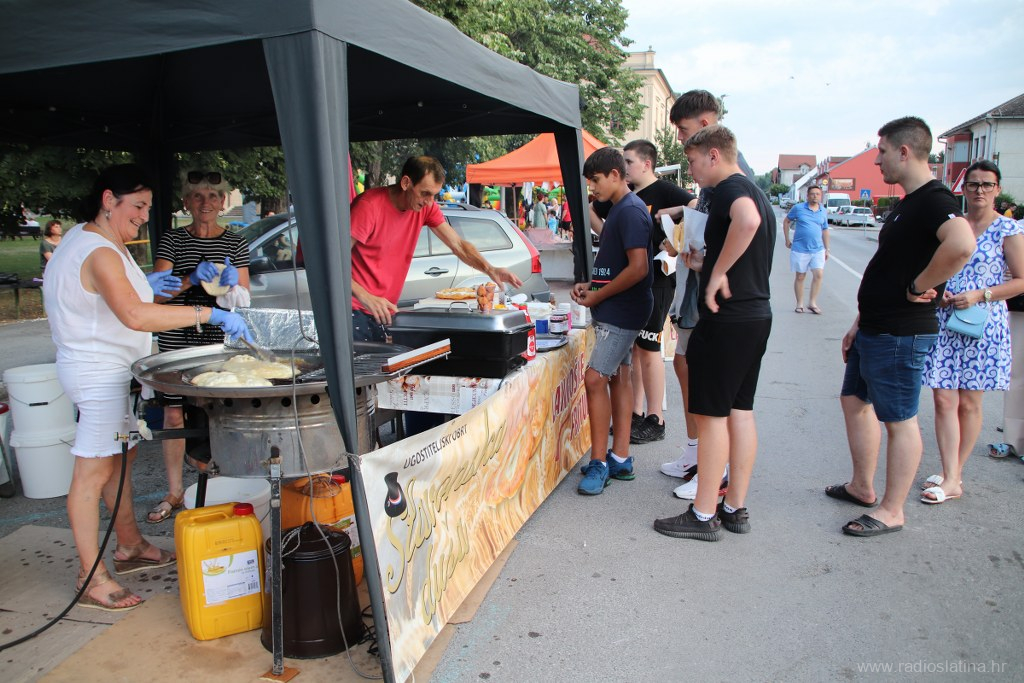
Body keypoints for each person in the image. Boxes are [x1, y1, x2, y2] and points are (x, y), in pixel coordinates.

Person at [43, 164, 250, 611]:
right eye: (137, 206)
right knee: (92, 472)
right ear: (108, 199)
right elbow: (136, 315)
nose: (143, 216)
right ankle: (91, 576)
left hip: (111, 369)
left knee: (123, 456)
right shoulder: (97, 249)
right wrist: (208, 313)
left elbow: (118, 295)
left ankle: (131, 543)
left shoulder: (89, 238)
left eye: (148, 207)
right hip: (96, 373)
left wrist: (147, 283)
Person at [825, 116, 975, 537]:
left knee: (899, 420)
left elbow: (962, 244)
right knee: (854, 400)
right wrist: (859, 321)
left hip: (900, 332)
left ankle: (892, 510)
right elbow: (888, 268)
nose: (877, 161)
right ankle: (862, 487)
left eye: (883, 151)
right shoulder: (908, 203)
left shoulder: (934, 199)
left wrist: (919, 285)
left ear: (905, 151)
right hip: (874, 326)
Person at [653, 125, 776, 541]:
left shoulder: (729, 190)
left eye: (692, 162)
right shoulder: (755, 189)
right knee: (740, 411)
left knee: (710, 417)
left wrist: (718, 272)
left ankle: (703, 513)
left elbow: (747, 221)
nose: (691, 172)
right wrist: (708, 265)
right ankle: (734, 507)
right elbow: (748, 246)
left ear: (713, 155)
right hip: (755, 314)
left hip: (727, 319)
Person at [659, 89, 757, 498]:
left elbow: (745, 223)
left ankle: (711, 480)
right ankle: (705, 466)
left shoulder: (732, 182)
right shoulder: (723, 181)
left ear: (705, 127)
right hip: (711, 300)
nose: (682, 142)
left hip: (719, 308)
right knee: (707, 388)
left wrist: (716, 272)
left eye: (684, 132)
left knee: (715, 401)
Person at [144, 171, 250, 524]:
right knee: (174, 413)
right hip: (176, 336)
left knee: (221, 411)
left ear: (223, 202)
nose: (206, 203)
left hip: (218, 339)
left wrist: (231, 287)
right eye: (198, 196)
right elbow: (157, 297)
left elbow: (244, 298)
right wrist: (192, 278)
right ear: (186, 202)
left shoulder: (235, 242)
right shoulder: (173, 240)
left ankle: (226, 485)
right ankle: (174, 491)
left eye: (213, 196)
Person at [918, 161, 1024, 503]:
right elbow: (935, 266)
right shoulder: (953, 226)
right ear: (963, 189)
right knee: (943, 398)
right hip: (947, 320)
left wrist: (981, 294)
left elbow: (1021, 281)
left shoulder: (1007, 229)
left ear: (997, 189)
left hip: (984, 324)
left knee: (969, 402)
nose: (980, 190)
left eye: (987, 184)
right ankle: (949, 472)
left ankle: (954, 476)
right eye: (974, 184)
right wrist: (940, 290)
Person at [591, 140, 695, 446]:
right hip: (631, 282)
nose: (624, 167)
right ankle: (635, 413)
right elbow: (591, 211)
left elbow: (696, 206)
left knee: (650, 348)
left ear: (647, 164)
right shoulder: (624, 196)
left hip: (658, 277)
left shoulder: (664, 191)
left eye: (629, 161)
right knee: (634, 350)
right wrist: (609, 234)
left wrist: (672, 229)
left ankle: (655, 418)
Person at [572, 147, 653, 495]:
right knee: (619, 377)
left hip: (623, 311)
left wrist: (599, 295)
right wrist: (591, 286)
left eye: (596, 180)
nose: (592, 188)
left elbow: (639, 268)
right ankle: (619, 457)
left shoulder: (631, 211)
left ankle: (599, 462)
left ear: (616, 175)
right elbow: (615, 264)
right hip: (616, 307)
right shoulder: (621, 209)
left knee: (594, 378)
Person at [783, 185, 830, 313]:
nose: (815, 196)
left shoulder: (823, 211)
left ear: (821, 196)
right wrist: (787, 239)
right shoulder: (798, 208)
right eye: (812, 194)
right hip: (800, 249)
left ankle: (812, 303)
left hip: (818, 249)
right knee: (800, 276)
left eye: (818, 194)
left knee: (818, 274)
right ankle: (799, 304)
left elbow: (825, 229)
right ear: (808, 196)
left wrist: (827, 249)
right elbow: (786, 221)